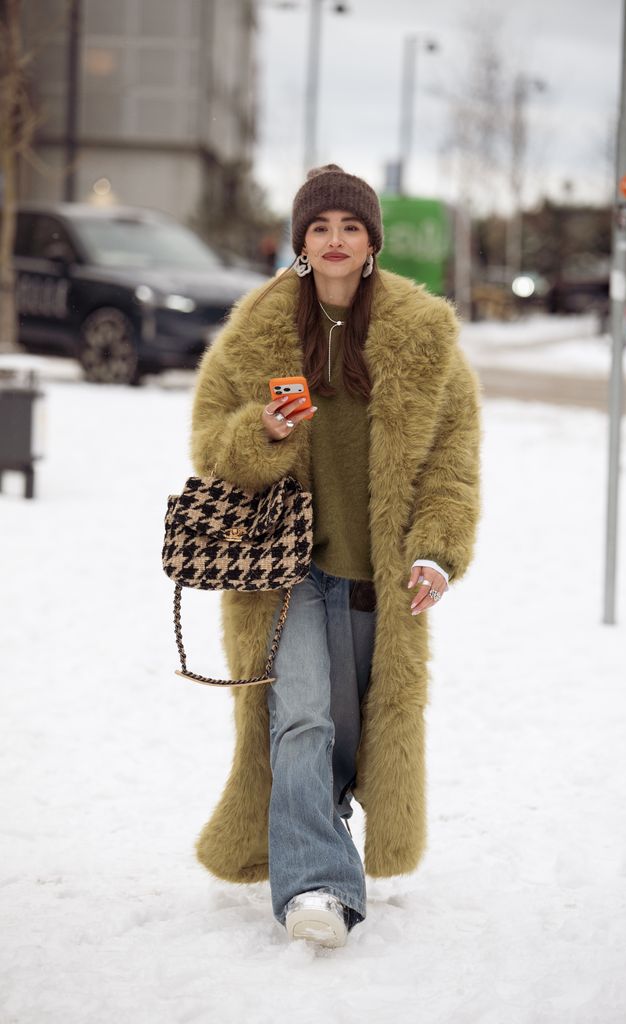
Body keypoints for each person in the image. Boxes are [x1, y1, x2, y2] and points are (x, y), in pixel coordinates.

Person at [190, 164, 481, 948]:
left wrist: (438, 553)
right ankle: (317, 887)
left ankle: (319, 824)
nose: (335, 241)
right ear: (301, 242)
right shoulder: (259, 328)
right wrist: (264, 432)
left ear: (372, 240)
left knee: (351, 732)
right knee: (303, 716)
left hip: (378, 574)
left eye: (349, 227)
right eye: (319, 228)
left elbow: (453, 460)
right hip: (285, 572)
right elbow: (209, 442)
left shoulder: (423, 335)